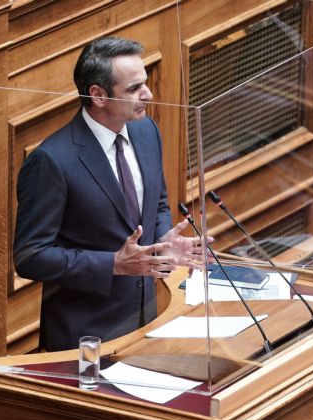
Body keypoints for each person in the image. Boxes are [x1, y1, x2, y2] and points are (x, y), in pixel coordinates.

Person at [13, 37, 205, 352]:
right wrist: (113, 264)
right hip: (84, 336)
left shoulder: (146, 131)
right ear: (98, 95)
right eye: (134, 88)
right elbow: (30, 257)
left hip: (145, 319)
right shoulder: (52, 161)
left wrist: (162, 243)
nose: (148, 94)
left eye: (145, 83)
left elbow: (157, 203)